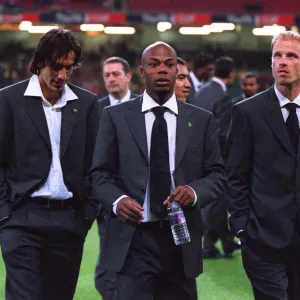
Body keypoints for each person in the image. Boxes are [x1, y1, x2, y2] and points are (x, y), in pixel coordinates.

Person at [89, 41, 226, 300]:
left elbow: (218, 175)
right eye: (154, 64)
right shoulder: (115, 116)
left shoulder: (201, 120)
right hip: (134, 240)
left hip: (181, 238)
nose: (162, 70)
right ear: (142, 72)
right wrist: (118, 200)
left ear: (176, 71)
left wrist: (194, 192)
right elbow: (99, 174)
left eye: (169, 64)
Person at [0, 27, 100, 300]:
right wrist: (5, 214)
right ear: (41, 61)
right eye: (56, 67)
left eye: (69, 68)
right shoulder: (8, 100)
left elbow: (95, 165)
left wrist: (85, 216)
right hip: (21, 219)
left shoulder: (89, 104)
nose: (62, 75)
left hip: (68, 222)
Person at [225, 30, 300, 300]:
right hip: (263, 241)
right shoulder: (247, 112)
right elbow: (235, 175)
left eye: (291, 56)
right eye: (277, 55)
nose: (283, 62)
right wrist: (243, 227)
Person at [95, 56, 138, 300]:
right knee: (108, 268)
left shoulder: (144, 106)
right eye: (107, 75)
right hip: (108, 202)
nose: (111, 79)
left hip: (142, 199)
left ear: (128, 76)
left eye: (115, 74)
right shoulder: (96, 109)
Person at [193, 56, 240, 258]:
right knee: (216, 201)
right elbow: (222, 132)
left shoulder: (202, 92)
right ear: (231, 75)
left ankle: (218, 243)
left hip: (197, 152)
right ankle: (217, 243)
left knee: (214, 202)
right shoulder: (222, 96)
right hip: (216, 156)